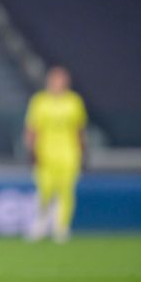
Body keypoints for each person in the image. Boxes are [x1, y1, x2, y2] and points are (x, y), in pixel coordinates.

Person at [24, 66, 87, 243]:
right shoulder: (39, 101)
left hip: (69, 154)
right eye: (55, 80)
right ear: (49, 81)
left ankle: (61, 227)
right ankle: (41, 223)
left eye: (62, 80)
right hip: (45, 153)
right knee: (44, 190)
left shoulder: (74, 101)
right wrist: (31, 150)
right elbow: (32, 129)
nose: (59, 83)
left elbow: (79, 129)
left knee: (66, 192)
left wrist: (83, 152)